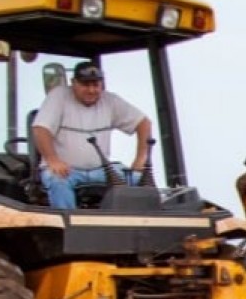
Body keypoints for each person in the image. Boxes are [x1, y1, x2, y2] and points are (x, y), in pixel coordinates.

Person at [31, 61, 154, 209]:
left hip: (101, 170)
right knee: (58, 182)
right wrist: (53, 160)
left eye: (96, 85)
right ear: (73, 83)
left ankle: (138, 228)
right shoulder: (58, 97)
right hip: (67, 170)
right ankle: (70, 227)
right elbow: (41, 129)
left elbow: (143, 123)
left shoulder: (110, 101)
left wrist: (141, 158)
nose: (91, 90)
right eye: (85, 85)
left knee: (140, 181)